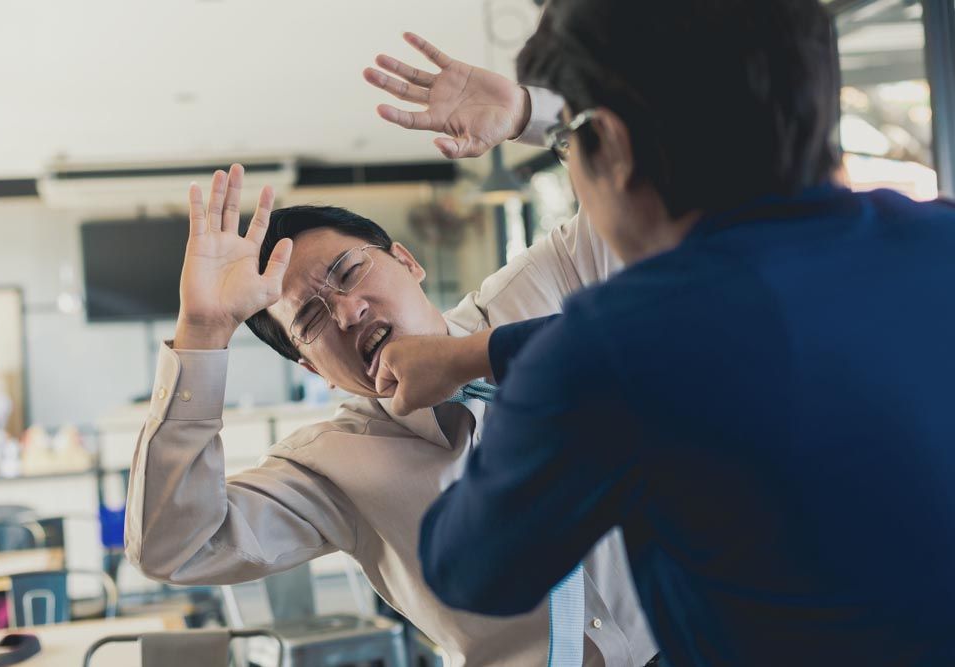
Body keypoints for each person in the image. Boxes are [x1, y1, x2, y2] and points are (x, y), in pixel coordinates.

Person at [371, 1, 955, 666]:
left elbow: (469, 570)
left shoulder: (614, 350)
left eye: (571, 143)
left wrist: (520, 380)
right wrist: (481, 351)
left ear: (612, 149)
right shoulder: (940, 241)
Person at [124, 163, 659, 664]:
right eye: (311, 319)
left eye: (350, 271)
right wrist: (203, 331)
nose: (346, 310)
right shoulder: (332, 466)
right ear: (317, 373)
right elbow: (177, 548)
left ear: (408, 261)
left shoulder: (540, 287)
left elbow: (661, 188)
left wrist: (530, 112)